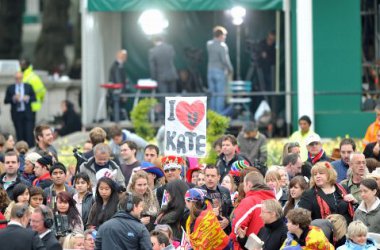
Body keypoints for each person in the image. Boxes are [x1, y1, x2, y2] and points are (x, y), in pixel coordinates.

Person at [231, 171, 276, 249]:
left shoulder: (249, 201)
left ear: (249, 185)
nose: (243, 187)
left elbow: (237, 227)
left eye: (244, 184)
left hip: (247, 246)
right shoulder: (274, 201)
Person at [4, 71, 36, 146]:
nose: (18, 80)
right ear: (15, 79)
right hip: (17, 114)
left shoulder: (28, 86)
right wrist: (14, 98)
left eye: (20, 78)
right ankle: (21, 151)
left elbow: (34, 98)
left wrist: (27, 98)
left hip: (27, 114)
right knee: (19, 134)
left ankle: (31, 150)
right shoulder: (11, 87)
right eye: (17, 78)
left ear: (22, 78)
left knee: (29, 134)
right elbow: (6, 100)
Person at [207, 25, 233, 113]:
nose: (225, 37)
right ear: (221, 35)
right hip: (219, 72)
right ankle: (218, 115)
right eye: (224, 35)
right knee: (220, 94)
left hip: (210, 71)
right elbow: (225, 60)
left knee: (213, 94)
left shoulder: (209, 44)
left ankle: (212, 115)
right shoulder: (223, 46)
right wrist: (230, 69)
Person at [201, 165, 232, 234]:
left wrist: (228, 220)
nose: (210, 178)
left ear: (218, 177)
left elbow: (231, 211)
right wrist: (209, 213)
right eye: (207, 175)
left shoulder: (225, 191)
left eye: (213, 176)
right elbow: (190, 214)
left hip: (223, 234)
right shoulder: (198, 192)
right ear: (204, 177)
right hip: (206, 234)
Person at [20, 58, 46, 132]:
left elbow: (42, 91)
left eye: (23, 64)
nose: (21, 66)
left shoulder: (32, 77)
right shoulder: (23, 75)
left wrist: (40, 99)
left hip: (31, 106)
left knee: (29, 129)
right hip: (23, 106)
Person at [108, 49, 128, 122]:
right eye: (125, 56)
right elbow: (118, 81)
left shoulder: (119, 66)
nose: (126, 58)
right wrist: (122, 93)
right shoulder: (116, 66)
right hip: (116, 92)